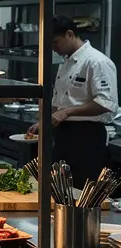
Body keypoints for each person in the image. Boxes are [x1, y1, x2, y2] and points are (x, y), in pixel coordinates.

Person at [28, 15, 119, 187]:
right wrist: (45, 121)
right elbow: (61, 100)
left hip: (87, 137)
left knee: (80, 192)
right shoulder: (66, 63)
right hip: (64, 136)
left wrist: (67, 112)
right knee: (58, 189)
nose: (53, 48)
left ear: (70, 34)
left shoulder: (97, 62)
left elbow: (106, 103)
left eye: (55, 42)